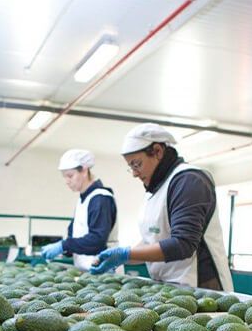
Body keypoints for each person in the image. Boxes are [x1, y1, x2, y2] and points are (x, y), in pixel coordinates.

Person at [89, 123, 233, 291]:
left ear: (157, 151)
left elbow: (183, 244)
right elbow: (153, 241)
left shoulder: (189, 180)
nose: (134, 173)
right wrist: (122, 258)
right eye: (131, 167)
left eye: (136, 164)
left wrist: (126, 254)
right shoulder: (156, 189)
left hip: (201, 288)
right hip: (171, 287)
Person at [40, 149, 118, 271]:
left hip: (104, 272)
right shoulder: (83, 200)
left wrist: (64, 245)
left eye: (70, 176)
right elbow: (76, 234)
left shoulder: (100, 198)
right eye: (64, 177)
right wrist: (65, 250)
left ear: (84, 170)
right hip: (87, 271)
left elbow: (97, 240)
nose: (67, 181)